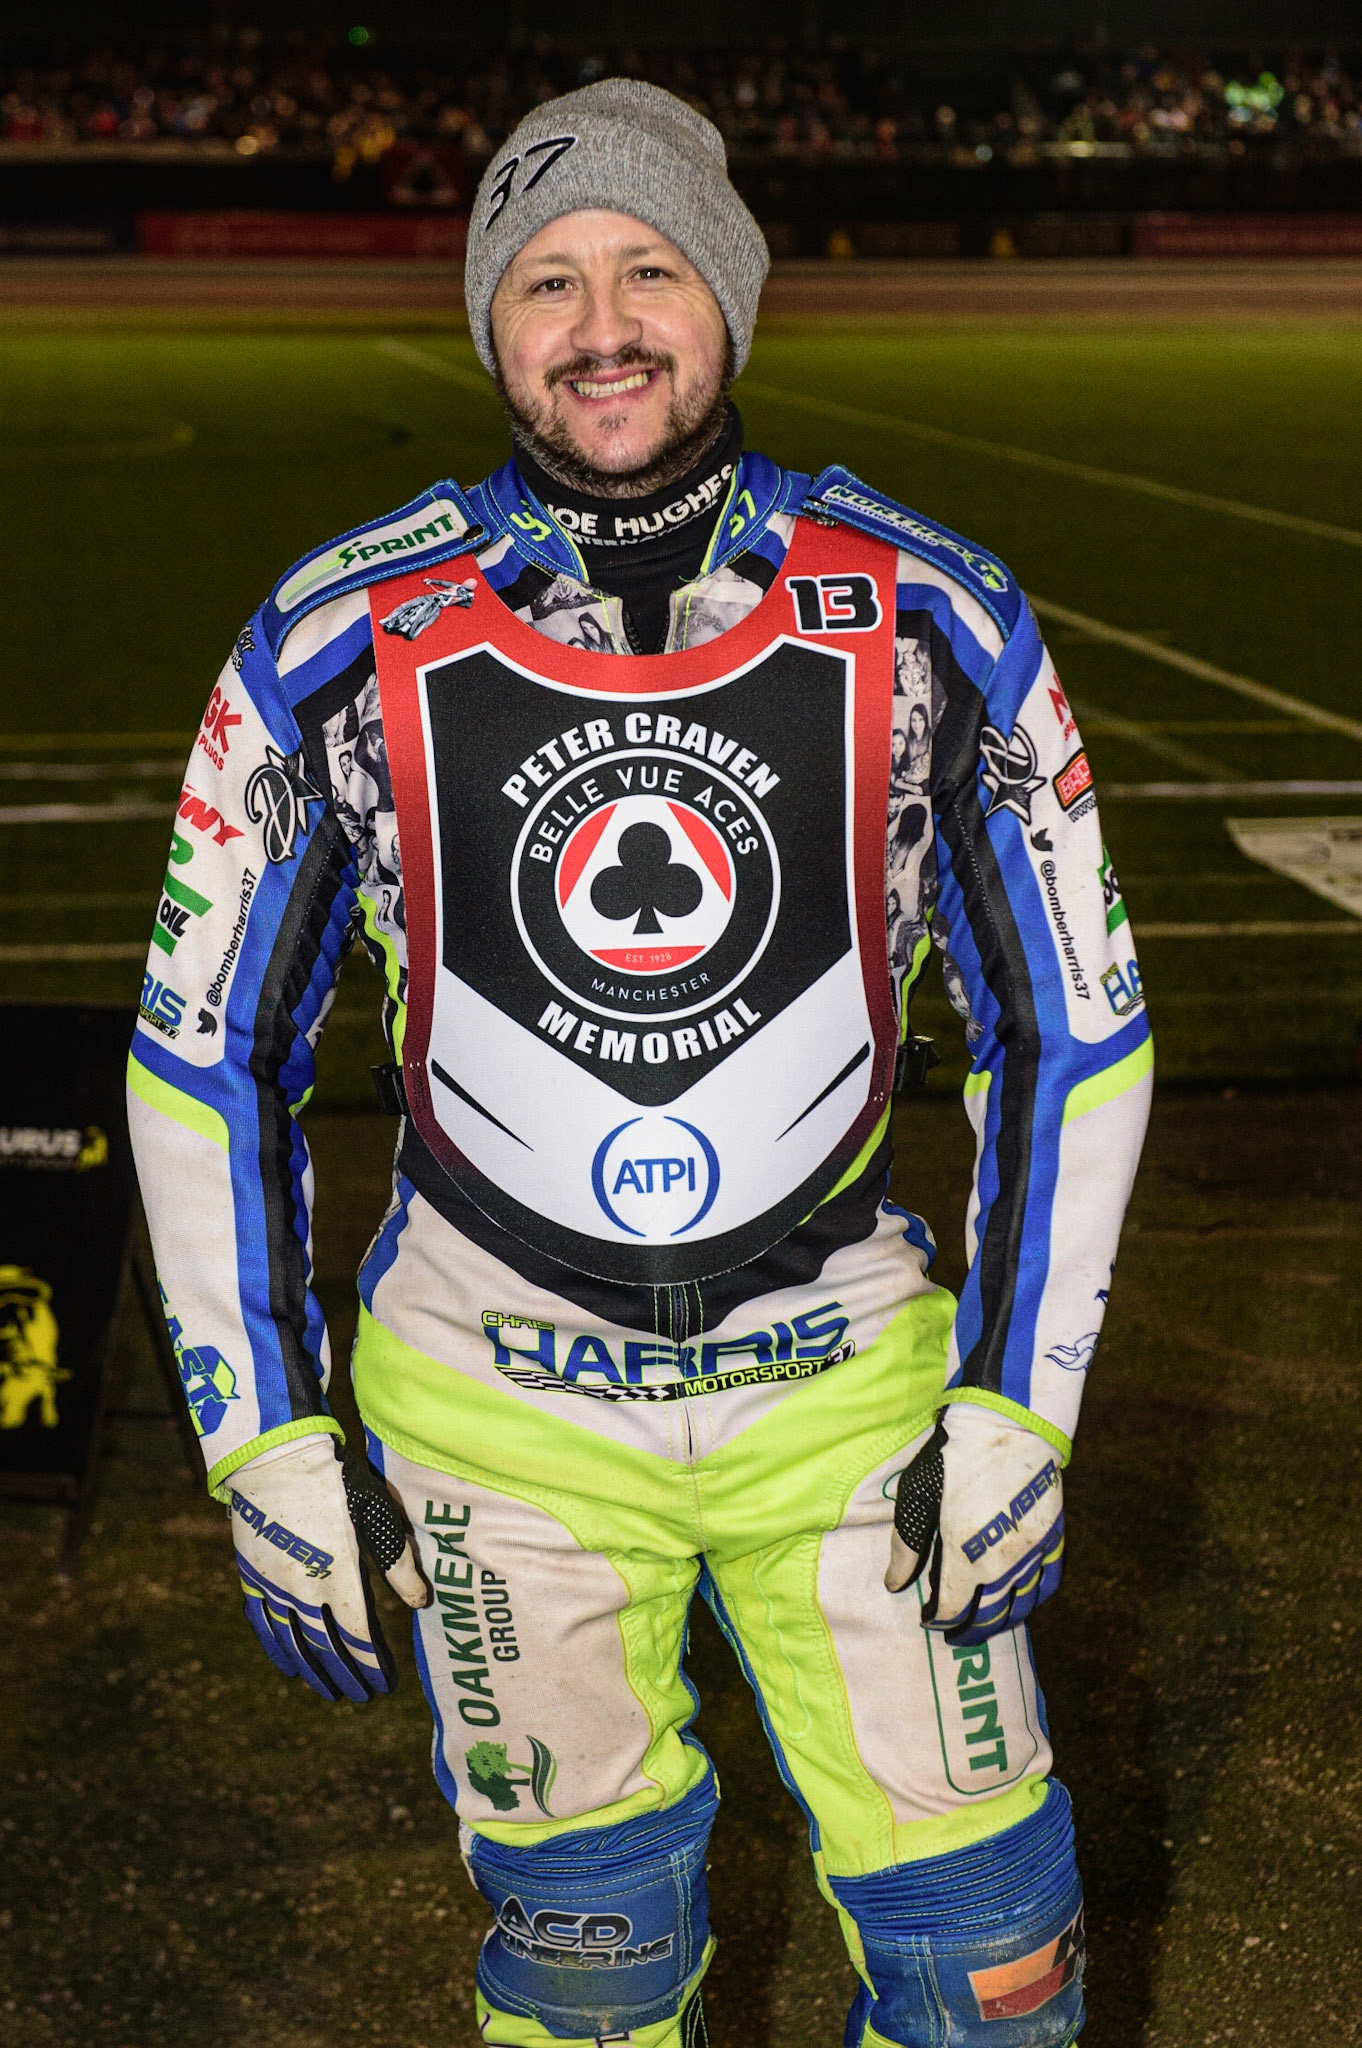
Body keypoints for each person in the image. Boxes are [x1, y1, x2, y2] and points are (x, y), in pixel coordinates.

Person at [128, 78, 1151, 2048]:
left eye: (650, 268)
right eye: (547, 283)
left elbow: (1071, 1025)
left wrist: (1026, 1404)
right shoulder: (335, 635)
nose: (601, 322)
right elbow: (202, 1053)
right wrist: (256, 1436)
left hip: (849, 1382)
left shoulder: (935, 607)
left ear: (734, 299)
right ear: (492, 328)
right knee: (587, 1969)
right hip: (491, 1401)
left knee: (995, 1973)